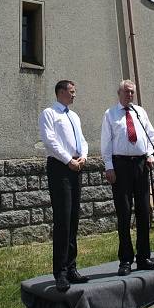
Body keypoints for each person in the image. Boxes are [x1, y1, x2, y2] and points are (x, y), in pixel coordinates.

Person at [101, 80, 154, 276]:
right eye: (126, 92)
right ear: (119, 93)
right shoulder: (110, 114)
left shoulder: (139, 112)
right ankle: (125, 259)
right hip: (121, 166)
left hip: (141, 165)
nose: (130, 95)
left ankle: (144, 257)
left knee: (144, 211)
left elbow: (151, 134)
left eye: (132, 92)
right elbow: (106, 143)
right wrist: (109, 167)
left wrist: (150, 154)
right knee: (124, 213)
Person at [39, 80, 89, 292]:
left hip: (76, 166)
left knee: (74, 219)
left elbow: (82, 140)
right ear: (60, 92)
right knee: (63, 220)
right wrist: (69, 160)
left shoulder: (74, 116)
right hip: (60, 168)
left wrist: (83, 156)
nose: (74, 95)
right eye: (71, 92)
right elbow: (50, 141)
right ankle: (59, 272)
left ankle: (71, 268)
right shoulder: (49, 113)